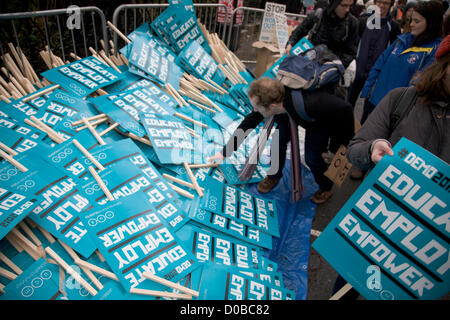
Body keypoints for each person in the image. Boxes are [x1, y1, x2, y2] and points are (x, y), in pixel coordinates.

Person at [333, 34, 450, 300]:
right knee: (347, 287)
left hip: (430, 249)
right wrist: (372, 148)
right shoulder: (402, 100)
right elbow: (355, 149)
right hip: (377, 227)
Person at [208, 76, 355, 204]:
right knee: (277, 145)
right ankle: (274, 176)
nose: (256, 111)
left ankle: (326, 187)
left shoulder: (312, 103)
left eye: (258, 108)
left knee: (312, 158)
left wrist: (339, 145)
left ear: (271, 107)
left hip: (316, 120)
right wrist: (224, 153)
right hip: (286, 114)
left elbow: (346, 109)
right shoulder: (273, 99)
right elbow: (248, 124)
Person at [359, 0, 443, 125]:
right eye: (411, 20)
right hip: (375, 100)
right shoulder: (402, 40)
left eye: (417, 21)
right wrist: (367, 89)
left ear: (431, 24)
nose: (412, 24)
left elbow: (418, 85)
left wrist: (401, 109)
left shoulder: (434, 51)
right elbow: (380, 63)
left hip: (394, 111)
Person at [348, 0, 401, 108]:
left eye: (386, 3)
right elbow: (353, 44)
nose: (382, 6)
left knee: (369, 109)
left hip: (377, 76)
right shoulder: (363, 21)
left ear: (391, 5)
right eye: (379, 2)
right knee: (348, 104)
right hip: (357, 72)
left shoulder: (393, 27)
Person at [284, 0, 359, 70]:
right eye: (344, 5)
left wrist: (337, 68)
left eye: (350, 6)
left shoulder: (352, 23)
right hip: (309, 65)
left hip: (331, 70)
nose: (347, 10)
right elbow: (299, 32)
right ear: (334, 4)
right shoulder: (319, 15)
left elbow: (350, 51)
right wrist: (290, 44)